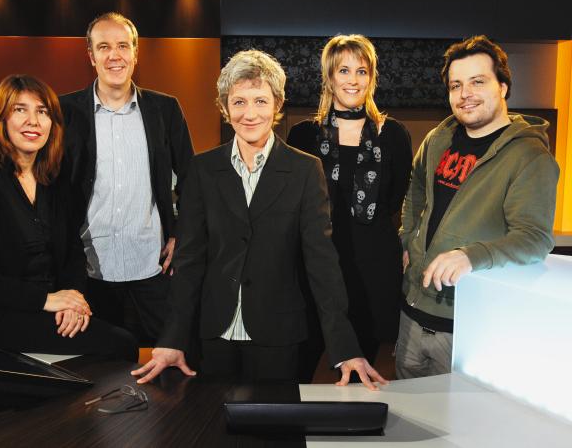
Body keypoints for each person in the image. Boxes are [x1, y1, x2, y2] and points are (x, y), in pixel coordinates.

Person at [130, 50, 388, 388]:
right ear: (225, 108)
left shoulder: (305, 170)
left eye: (260, 101)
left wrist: (344, 346)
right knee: (209, 419)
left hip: (278, 334)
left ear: (277, 104)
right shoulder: (203, 169)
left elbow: (321, 262)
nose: (249, 114)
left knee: (273, 421)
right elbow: (189, 260)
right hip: (213, 334)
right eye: (239, 102)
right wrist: (173, 338)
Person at [0, 75, 138, 361]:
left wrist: (72, 298)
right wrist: (46, 300)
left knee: (121, 327)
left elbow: (73, 251)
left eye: (42, 111)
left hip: (53, 303)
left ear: (52, 124)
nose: (33, 121)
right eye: (20, 110)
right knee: (120, 344)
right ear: (0, 119)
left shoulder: (56, 179)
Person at [396, 35, 559, 378]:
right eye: (456, 85)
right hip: (411, 312)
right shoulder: (438, 138)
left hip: (467, 324)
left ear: (503, 87)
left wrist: (470, 256)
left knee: (455, 412)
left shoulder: (530, 156)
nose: (465, 93)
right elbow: (416, 190)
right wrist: (408, 237)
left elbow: (534, 238)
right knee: (405, 407)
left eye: (478, 82)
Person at [59, 12, 194, 345]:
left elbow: (192, 180)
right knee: (97, 366)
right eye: (103, 47)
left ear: (135, 53)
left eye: (122, 45)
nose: (114, 55)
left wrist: (181, 232)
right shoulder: (64, 112)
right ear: (91, 56)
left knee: (171, 358)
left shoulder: (165, 109)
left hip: (153, 267)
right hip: (88, 271)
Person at [287, 35, 412, 379]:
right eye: (343, 70)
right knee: (300, 365)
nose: (353, 80)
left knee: (361, 372)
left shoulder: (393, 134)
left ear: (372, 78)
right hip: (315, 263)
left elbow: (396, 199)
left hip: (373, 267)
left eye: (362, 71)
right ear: (329, 77)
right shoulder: (302, 135)